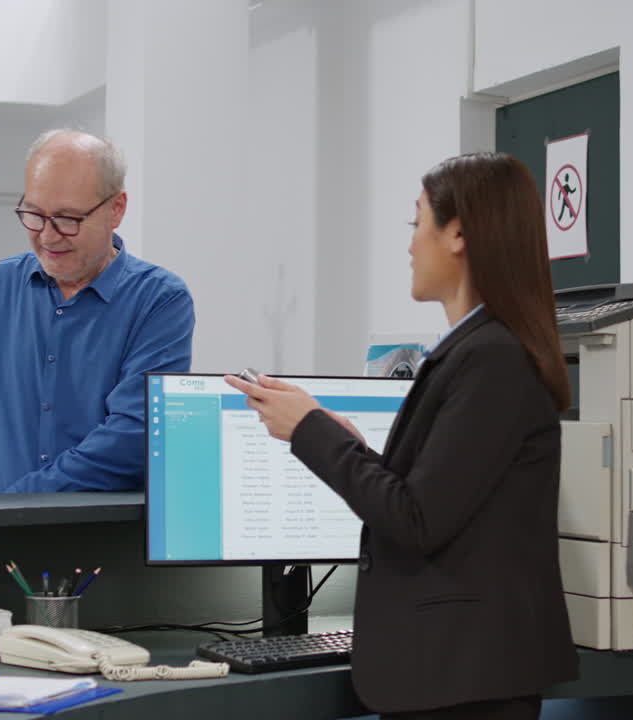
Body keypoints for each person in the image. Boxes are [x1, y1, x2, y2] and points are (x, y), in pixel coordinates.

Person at [225, 152, 577, 718]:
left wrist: (310, 432)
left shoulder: (493, 359)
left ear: (458, 232)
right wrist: (344, 440)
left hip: (464, 676)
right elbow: (436, 496)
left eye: (417, 223)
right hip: (450, 671)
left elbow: (416, 519)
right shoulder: (473, 351)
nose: (410, 244)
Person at [0, 129, 194, 494]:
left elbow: (130, 437)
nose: (47, 236)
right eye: (33, 214)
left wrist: (14, 507)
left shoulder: (159, 300)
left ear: (116, 209)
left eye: (67, 219)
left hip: (96, 543)